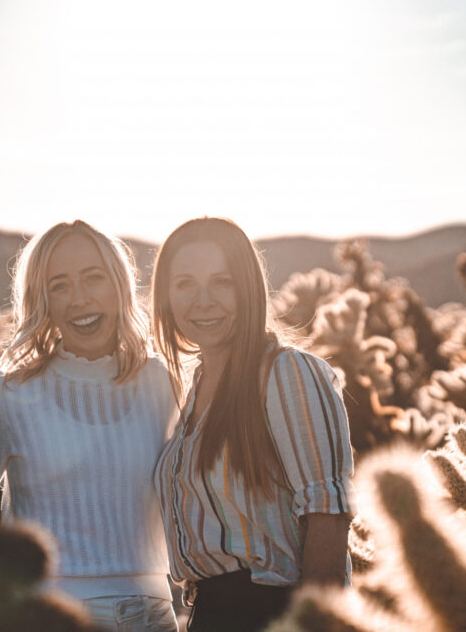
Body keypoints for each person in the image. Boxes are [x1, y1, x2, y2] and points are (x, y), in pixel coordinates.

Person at [151, 217, 355, 632]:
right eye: (185, 284)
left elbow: (327, 517)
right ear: (166, 297)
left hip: (273, 612)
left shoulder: (286, 373)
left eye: (222, 282)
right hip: (210, 613)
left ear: (248, 290)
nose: (202, 300)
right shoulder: (193, 391)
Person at [0, 220, 179, 632]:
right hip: (51, 614)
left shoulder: (163, 383)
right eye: (60, 286)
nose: (80, 299)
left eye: (94, 278)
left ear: (120, 286)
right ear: (42, 301)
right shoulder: (9, 395)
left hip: (154, 614)